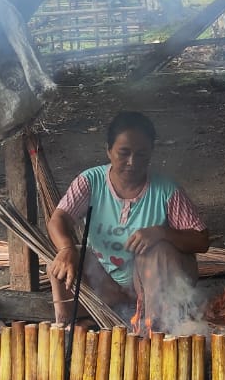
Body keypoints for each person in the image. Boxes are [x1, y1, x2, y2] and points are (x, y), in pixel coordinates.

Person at [47, 111, 209, 330]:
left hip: (154, 284)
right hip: (107, 281)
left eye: (141, 154)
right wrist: (66, 248)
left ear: (151, 153)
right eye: (124, 152)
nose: (132, 162)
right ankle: (76, 324)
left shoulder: (165, 190)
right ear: (109, 150)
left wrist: (162, 233)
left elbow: (201, 240)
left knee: (158, 251)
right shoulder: (91, 182)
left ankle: (155, 326)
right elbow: (60, 218)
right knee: (58, 263)